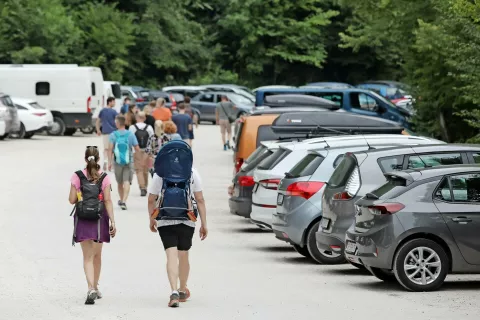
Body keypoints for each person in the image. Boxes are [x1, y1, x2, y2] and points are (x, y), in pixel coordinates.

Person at [147, 148, 208, 308]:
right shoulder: (192, 172)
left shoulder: (160, 174)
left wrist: (152, 219)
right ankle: (182, 289)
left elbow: (151, 199)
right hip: (187, 219)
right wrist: (204, 223)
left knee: (171, 256)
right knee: (184, 255)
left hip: (165, 220)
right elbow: (200, 200)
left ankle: (173, 291)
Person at [69, 146, 116, 305]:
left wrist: (80, 194)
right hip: (99, 219)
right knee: (97, 255)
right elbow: (108, 200)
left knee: (87, 257)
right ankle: (95, 286)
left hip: (82, 218)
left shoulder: (77, 176)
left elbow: (71, 200)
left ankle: (90, 288)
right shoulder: (104, 177)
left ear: (85, 159)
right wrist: (113, 221)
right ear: (97, 160)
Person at [108, 115, 140, 210]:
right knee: (126, 181)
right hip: (128, 160)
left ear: (118, 123)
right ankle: (124, 201)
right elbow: (137, 148)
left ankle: (121, 199)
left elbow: (110, 149)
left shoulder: (113, 135)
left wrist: (109, 162)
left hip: (117, 161)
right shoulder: (130, 134)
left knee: (119, 182)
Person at [129, 112, 154, 196]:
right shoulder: (149, 127)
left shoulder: (132, 127)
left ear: (136, 118)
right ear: (144, 118)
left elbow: (130, 139)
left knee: (138, 170)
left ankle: (142, 187)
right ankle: (145, 186)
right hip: (147, 150)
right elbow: (152, 139)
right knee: (145, 170)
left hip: (137, 150)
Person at [96, 97, 118, 171]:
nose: (114, 103)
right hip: (113, 132)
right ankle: (110, 164)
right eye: (113, 102)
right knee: (112, 150)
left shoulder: (102, 111)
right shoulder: (114, 112)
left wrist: (98, 130)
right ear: (110, 102)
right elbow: (117, 122)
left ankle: (105, 161)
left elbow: (98, 121)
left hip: (105, 132)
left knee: (106, 149)